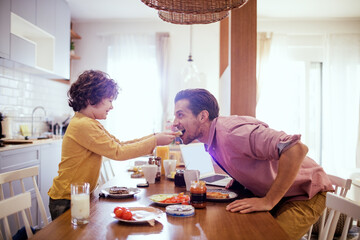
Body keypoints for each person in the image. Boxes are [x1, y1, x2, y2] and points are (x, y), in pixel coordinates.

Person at [173, 88, 333, 239]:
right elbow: (246, 158)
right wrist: (240, 179)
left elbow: (296, 149)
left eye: (180, 115)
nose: (175, 122)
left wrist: (268, 201)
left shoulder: (233, 133)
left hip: (305, 193)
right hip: (277, 192)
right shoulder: (211, 140)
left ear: (202, 116)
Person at [48, 70, 176, 220]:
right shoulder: (83, 125)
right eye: (109, 100)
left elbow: (119, 144)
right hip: (67, 199)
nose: (111, 106)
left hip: (79, 195)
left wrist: (154, 137)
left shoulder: (89, 122)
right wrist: (155, 141)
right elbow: (119, 152)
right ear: (90, 99)